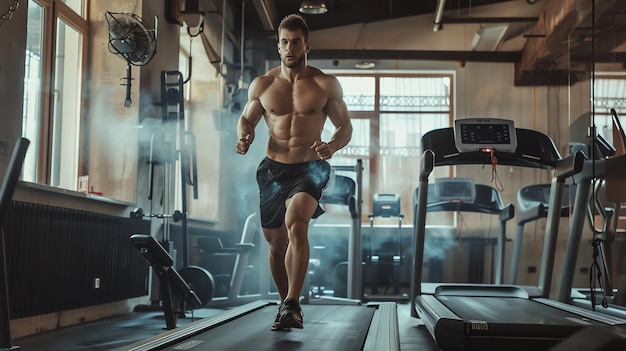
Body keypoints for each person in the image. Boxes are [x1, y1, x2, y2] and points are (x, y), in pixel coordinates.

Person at [235, 14, 352, 331]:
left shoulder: (324, 84)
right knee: (276, 245)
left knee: (296, 224)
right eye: (284, 42)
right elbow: (247, 119)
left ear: (307, 45)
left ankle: (293, 303)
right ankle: (284, 302)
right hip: (273, 170)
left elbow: (345, 126)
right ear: (278, 45)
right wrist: (245, 135)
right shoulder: (263, 84)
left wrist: (332, 145)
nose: (290, 47)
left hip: (310, 166)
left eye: (296, 42)